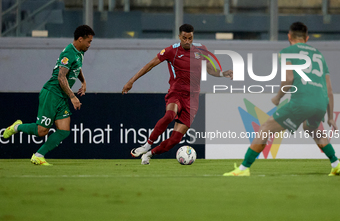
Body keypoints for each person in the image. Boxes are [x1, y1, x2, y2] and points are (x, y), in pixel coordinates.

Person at [224, 22, 339, 176]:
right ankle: (336, 163)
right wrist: (330, 117)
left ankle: (243, 169)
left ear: (289, 36)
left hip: (301, 102)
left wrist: (278, 97)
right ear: (307, 38)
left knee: (264, 129)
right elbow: (329, 90)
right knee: (311, 128)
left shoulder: (287, 51)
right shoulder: (318, 55)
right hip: (320, 102)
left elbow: (289, 78)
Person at [122, 24, 233, 165]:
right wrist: (131, 81)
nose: (187, 41)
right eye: (184, 38)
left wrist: (223, 74)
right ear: (180, 37)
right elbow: (150, 65)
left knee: (175, 139)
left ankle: (149, 154)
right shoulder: (171, 51)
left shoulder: (201, 50)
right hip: (176, 93)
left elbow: (211, 70)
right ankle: (147, 145)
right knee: (169, 115)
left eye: (190, 38)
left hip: (192, 100)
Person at [2, 25, 95, 166]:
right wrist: (72, 97)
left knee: (64, 130)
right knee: (42, 131)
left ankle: (38, 155)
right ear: (80, 39)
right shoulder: (68, 53)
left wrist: (83, 81)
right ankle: (16, 127)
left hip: (61, 96)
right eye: (89, 41)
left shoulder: (79, 52)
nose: (89, 45)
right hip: (52, 93)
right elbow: (61, 77)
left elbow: (77, 67)